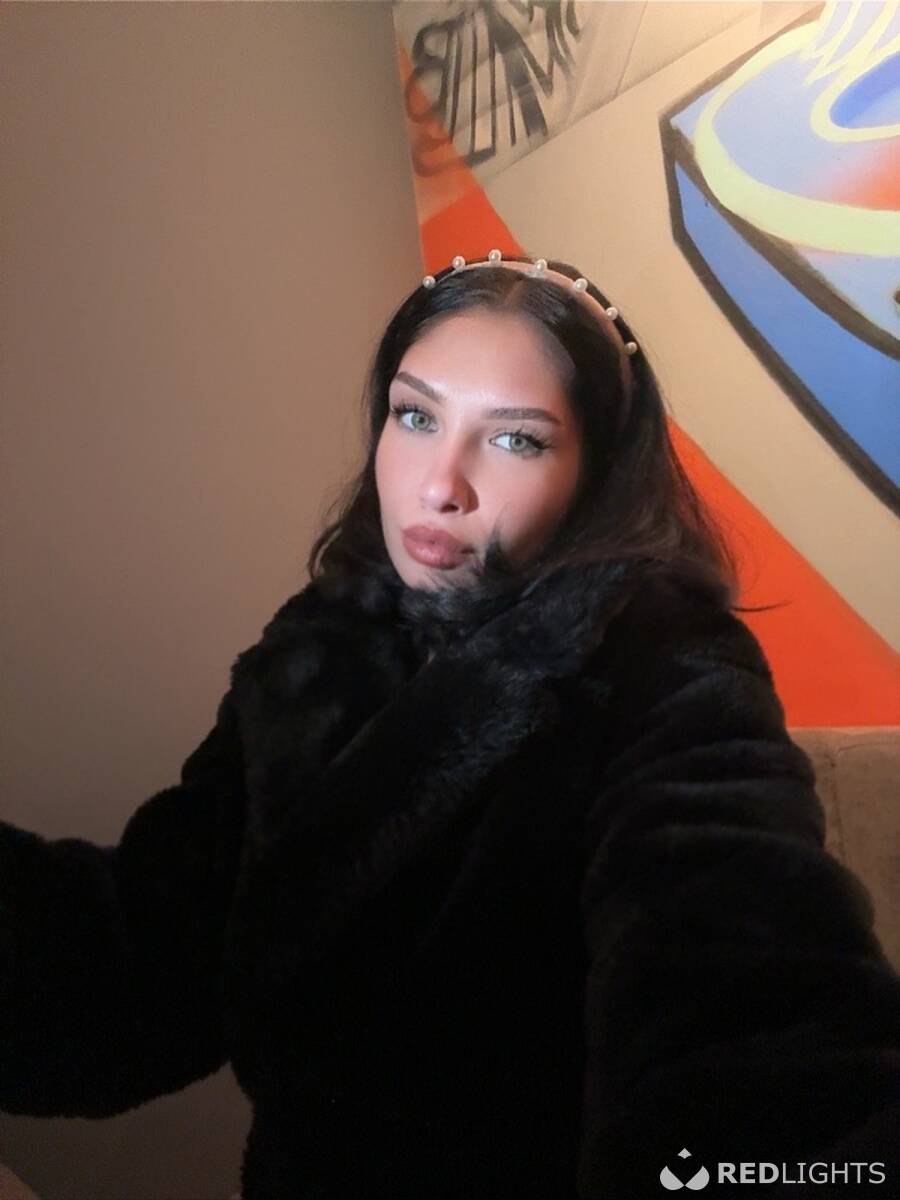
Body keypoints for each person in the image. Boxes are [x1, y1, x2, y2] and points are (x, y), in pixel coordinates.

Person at [1, 250, 898, 1199]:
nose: (439, 485)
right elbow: (140, 967)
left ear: (595, 474)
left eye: (515, 440)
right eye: (416, 416)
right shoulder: (316, 646)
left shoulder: (666, 663)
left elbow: (745, 989)